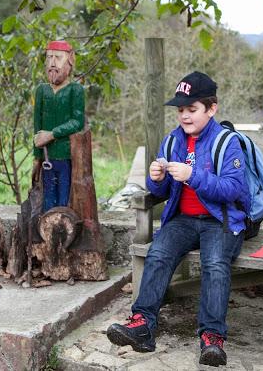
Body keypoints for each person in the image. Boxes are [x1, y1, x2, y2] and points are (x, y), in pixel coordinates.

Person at [106, 71, 249, 367]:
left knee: (214, 264)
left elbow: (234, 188)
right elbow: (160, 190)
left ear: (212, 109)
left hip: (219, 220)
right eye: (181, 109)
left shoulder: (227, 142)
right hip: (183, 219)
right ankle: (142, 325)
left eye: (192, 109)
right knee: (158, 253)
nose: (185, 116)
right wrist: (155, 178)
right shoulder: (172, 141)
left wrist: (192, 175)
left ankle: (212, 337)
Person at [32, 40, 85, 211]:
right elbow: (37, 127)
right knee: (47, 199)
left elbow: (77, 122)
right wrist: (36, 158)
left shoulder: (75, 90)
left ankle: (62, 232)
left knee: (64, 199)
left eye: (58, 57)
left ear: (70, 60)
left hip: (66, 156)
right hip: (47, 157)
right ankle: (48, 233)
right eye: (49, 57)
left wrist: (52, 134)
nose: (52, 63)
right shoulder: (41, 91)